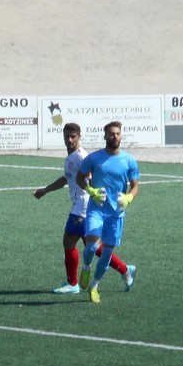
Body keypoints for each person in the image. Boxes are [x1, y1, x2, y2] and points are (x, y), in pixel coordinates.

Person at [33, 122, 135, 295]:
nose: (70, 140)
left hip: (84, 206)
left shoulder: (81, 157)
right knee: (93, 246)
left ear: (79, 137)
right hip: (80, 205)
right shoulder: (72, 157)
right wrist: (46, 190)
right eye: (67, 136)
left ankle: (72, 283)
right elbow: (67, 179)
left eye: (73, 137)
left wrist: (95, 194)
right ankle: (125, 270)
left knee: (70, 241)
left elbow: (91, 178)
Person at [75, 120, 140, 304]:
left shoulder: (129, 160)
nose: (115, 137)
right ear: (105, 136)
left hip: (116, 214)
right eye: (111, 134)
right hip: (96, 209)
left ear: (121, 136)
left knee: (107, 255)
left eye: (117, 134)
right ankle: (86, 267)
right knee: (92, 247)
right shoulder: (94, 158)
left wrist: (129, 198)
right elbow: (79, 178)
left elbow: (135, 186)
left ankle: (94, 286)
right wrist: (91, 191)